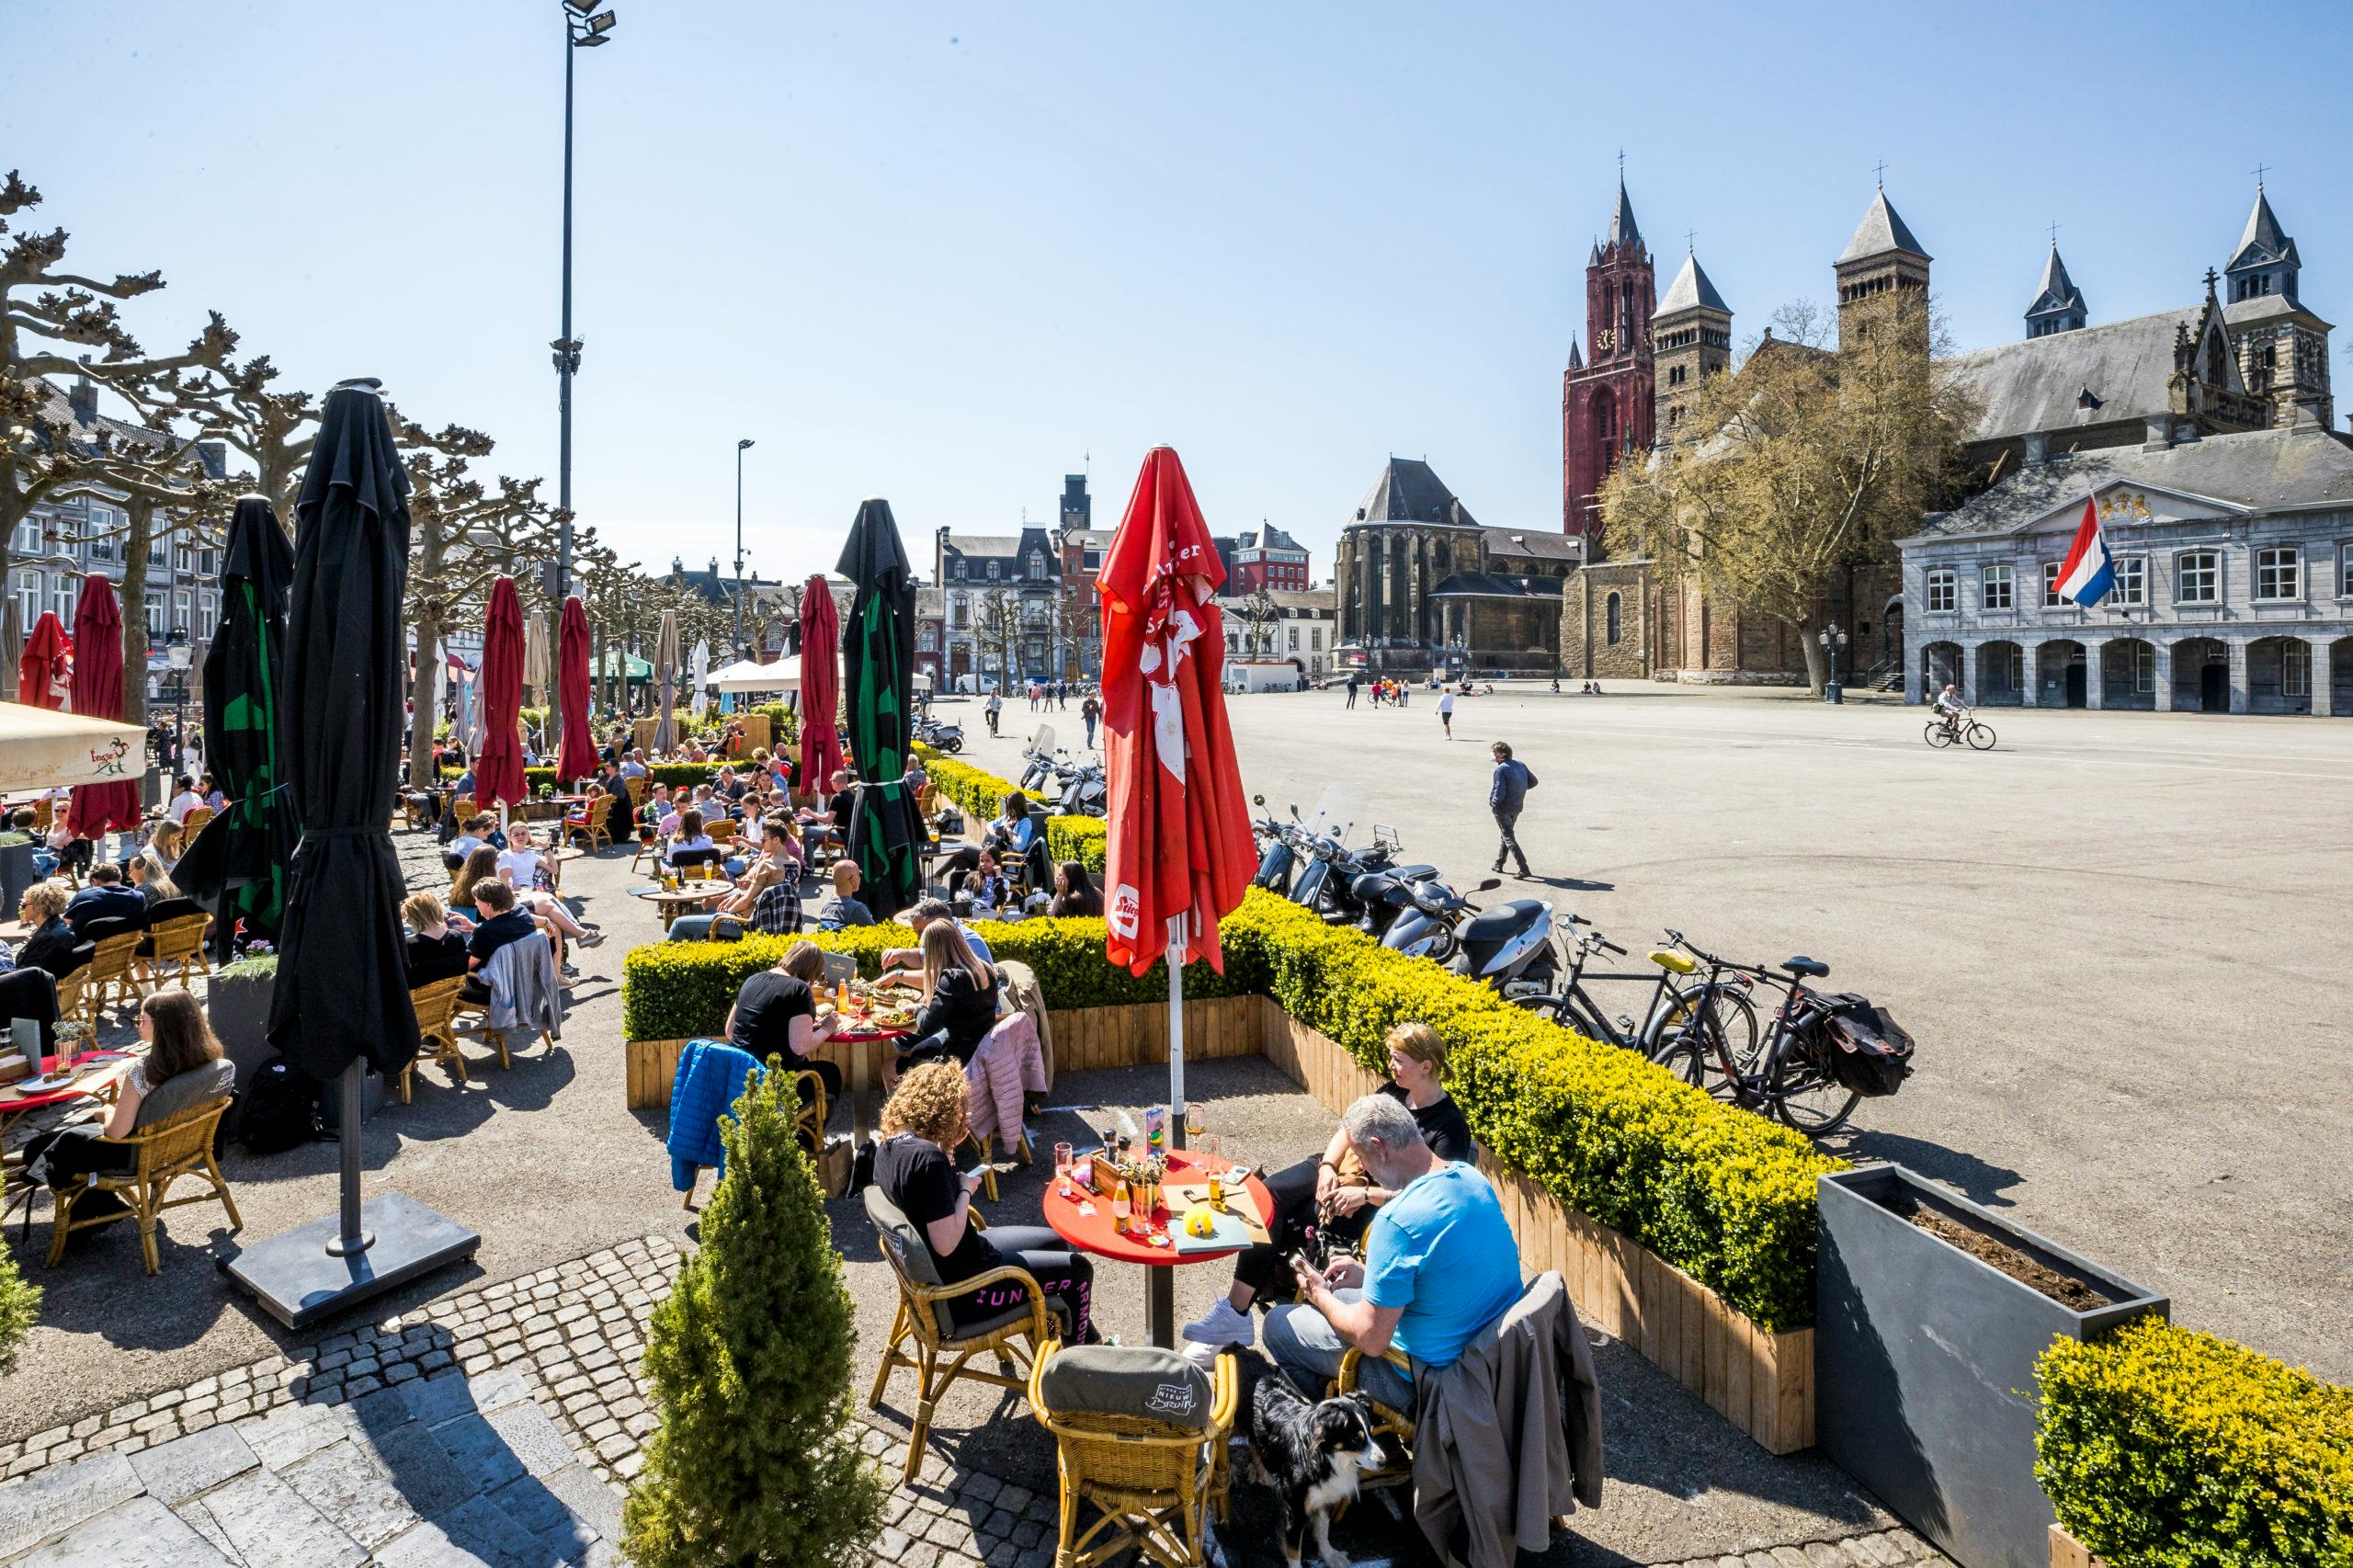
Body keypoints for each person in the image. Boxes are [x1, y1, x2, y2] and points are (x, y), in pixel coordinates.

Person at [1185, 1023, 1474, 1353]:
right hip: (1342, 1169)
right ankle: (1234, 1316)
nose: (1391, 1066)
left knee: (1287, 1218)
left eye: (1398, 1060)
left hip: (1373, 1197)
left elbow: (1432, 1198)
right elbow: (1350, 1128)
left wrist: (1365, 1195)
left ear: (1426, 1066)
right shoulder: (1394, 1092)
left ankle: (1235, 1316)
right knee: (1265, 1198)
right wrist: (1326, 1167)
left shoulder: (1450, 1127)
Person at [1260, 1090, 1522, 1415]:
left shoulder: (1396, 1222)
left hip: (1431, 1384)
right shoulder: (1472, 1179)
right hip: (1490, 1362)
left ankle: (1351, 1436)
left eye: (1360, 1159)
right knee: (1346, 1292)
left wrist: (1318, 1295)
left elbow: (1371, 1340)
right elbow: (1443, 1267)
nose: (1362, 1171)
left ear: (1379, 1149)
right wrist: (1369, 1275)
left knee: (1279, 1323)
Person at [875, 1062, 1096, 1345]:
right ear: (942, 1110)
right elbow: (945, 1243)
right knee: (1078, 1270)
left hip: (958, 1265)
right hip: (967, 1293)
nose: (965, 1116)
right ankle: (1080, 1365)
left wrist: (949, 1151)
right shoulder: (928, 1161)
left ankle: (1082, 1340)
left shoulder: (888, 1147)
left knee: (1056, 1242)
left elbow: (927, 1207)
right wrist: (965, 1190)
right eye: (960, 1110)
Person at [21, 992, 236, 1195]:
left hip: (134, 1154)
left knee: (35, 1149)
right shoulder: (208, 1058)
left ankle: (99, 1206)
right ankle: (99, 1205)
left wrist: (104, 1111)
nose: (137, 1025)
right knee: (63, 1139)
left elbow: (116, 1132)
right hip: (179, 1144)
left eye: (142, 1020)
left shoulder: (145, 1072)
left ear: (164, 1027)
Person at [722, 939, 842, 1107]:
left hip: (739, 1078)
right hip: (775, 1082)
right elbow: (800, 1046)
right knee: (831, 1074)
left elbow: (730, 1031)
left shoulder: (751, 980)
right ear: (812, 973)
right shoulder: (799, 990)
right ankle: (805, 1133)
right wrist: (827, 1028)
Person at [898, 919, 999, 1070]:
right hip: (985, 1052)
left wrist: (918, 1009)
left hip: (959, 1060)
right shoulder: (985, 968)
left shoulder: (951, 978)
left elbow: (927, 1027)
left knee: (892, 1067)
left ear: (935, 950)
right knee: (915, 1051)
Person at [879, 899, 995, 975]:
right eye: (917, 933)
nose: (920, 938)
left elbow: (941, 979)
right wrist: (901, 954)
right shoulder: (940, 938)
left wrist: (898, 975)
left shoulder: (968, 941)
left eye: (922, 931)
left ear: (940, 922)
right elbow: (922, 958)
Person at [402, 892, 473, 987]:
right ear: (439, 911)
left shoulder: (409, 945)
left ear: (414, 918)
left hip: (419, 1000)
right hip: (450, 992)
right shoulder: (456, 937)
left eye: (408, 919)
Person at [16, 883, 85, 980]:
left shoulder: (50, 937)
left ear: (39, 907)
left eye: (24, 904)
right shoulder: (58, 926)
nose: (22, 909)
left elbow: (29, 974)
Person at [1488, 741, 1536, 880]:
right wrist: (1517, 790)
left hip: (1503, 808)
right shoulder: (1519, 764)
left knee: (1508, 837)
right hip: (1516, 806)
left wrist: (1494, 804)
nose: (1491, 755)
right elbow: (1533, 781)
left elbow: (1499, 791)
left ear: (1502, 755)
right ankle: (1499, 863)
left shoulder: (1501, 769)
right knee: (1506, 834)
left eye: (1494, 753)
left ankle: (1523, 868)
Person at [64, 864, 144, 937]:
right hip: (125, 947)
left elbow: (66, 924)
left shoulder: (84, 896)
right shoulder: (138, 896)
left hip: (86, 948)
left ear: (94, 881)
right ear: (119, 878)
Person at [814, 860, 873, 928]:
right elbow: (875, 935)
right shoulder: (857, 909)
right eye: (859, 874)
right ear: (853, 880)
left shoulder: (826, 905)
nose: (860, 878)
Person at [965, 850, 1012, 914]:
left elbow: (1001, 901)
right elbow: (964, 897)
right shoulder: (972, 877)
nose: (983, 864)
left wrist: (998, 877)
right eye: (981, 861)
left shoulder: (1004, 882)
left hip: (989, 915)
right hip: (972, 912)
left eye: (987, 861)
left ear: (996, 862)